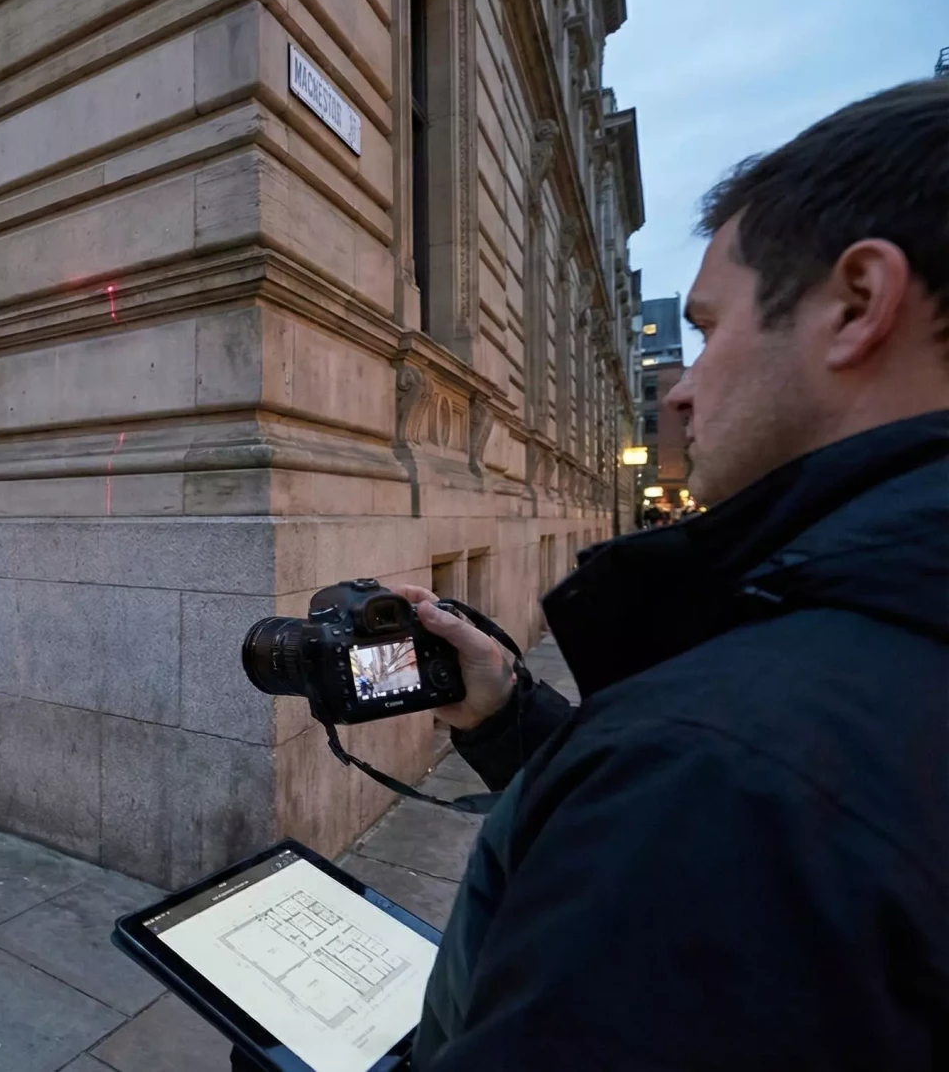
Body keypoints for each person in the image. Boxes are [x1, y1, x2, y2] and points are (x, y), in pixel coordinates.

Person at [391, 79, 947, 1069]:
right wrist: (509, 714)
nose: (680, 391)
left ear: (857, 303)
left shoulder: (722, 766)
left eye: (705, 328)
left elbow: (715, 794)